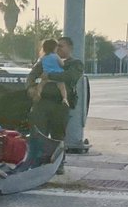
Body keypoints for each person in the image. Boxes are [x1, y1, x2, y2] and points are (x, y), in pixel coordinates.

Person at [20, 36, 84, 174]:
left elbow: (70, 77)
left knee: (58, 135)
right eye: (57, 46)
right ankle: (36, 163)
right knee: (38, 134)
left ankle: (58, 164)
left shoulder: (75, 64)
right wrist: (31, 88)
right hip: (42, 103)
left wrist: (48, 76)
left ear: (70, 48)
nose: (58, 48)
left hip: (60, 104)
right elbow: (31, 76)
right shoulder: (45, 60)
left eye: (62, 46)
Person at [31, 38, 69, 107]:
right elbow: (62, 64)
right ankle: (64, 98)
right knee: (62, 86)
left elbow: (39, 66)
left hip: (46, 74)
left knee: (41, 84)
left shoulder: (43, 57)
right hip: (57, 74)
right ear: (54, 48)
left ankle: (38, 93)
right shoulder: (55, 56)